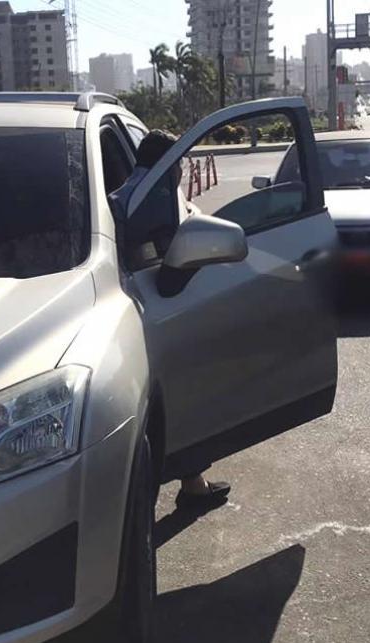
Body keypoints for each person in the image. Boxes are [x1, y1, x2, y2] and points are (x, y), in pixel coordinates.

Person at [109, 130, 233, 511]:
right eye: (178, 162)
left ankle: (193, 483)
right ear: (170, 164)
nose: (181, 171)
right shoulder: (156, 200)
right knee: (180, 395)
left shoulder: (118, 197)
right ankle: (183, 488)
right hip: (152, 314)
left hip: (123, 313)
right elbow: (172, 266)